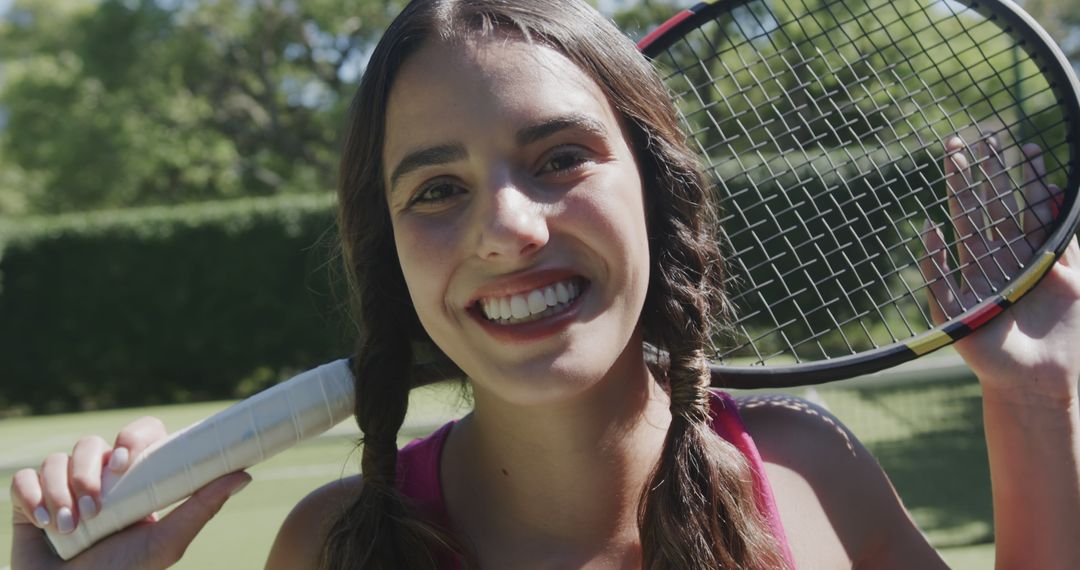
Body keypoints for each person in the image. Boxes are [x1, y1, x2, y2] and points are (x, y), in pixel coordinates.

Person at [10, 1, 1080, 568]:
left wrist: (1035, 405)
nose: (509, 228)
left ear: (658, 191)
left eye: (561, 155)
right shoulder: (335, 550)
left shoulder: (811, 474)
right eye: (436, 188)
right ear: (390, 251)